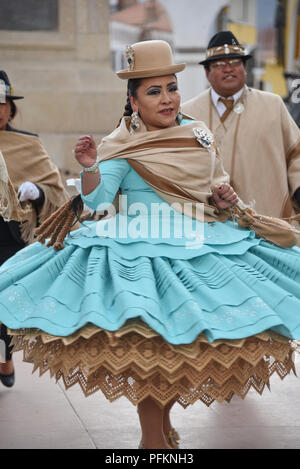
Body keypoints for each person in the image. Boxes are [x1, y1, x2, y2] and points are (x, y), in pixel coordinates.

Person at [0, 41, 299, 450]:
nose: (168, 98)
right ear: (134, 100)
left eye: (172, 87)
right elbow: (99, 202)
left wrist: (222, 198)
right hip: (138, 255)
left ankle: (163, 430)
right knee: (150, 357)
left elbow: (214, 182)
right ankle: (150, 444)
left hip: (196, 248)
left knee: (176, 354)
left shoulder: (198, 133)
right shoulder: (122, 143)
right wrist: (90, 170)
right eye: (154, 91)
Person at [182, 31, 300, 220]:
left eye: (235, 62)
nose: (228, 69)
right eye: (219, 64)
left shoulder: (273, 106)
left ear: (245, 67)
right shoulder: (188, 113)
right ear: (207, 72)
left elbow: (296, 154)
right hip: (211, 224)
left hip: (270, 220)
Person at [0, 70, 69, 388]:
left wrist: (36, 192)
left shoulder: (28, 144)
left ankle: (4, 356)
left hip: (11, 234)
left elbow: (55, 191)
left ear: (11, 109)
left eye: (3, 103)